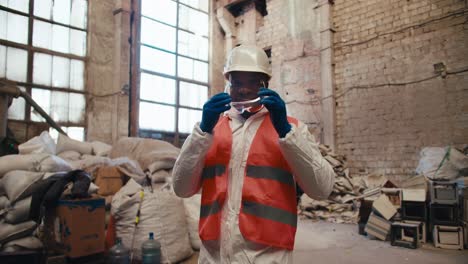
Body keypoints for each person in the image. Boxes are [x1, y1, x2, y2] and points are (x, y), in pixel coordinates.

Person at [173, 45, 335, 263]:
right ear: (228, 82)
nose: (244, 90)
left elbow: (322, 189)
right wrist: (202, 130)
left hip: (265, 256)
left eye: (253, 82)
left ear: (266, 84)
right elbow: (181, 188)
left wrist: (286, 132)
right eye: (237, 82)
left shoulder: (291, 129)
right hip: (214, 255)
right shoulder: (210, 130)